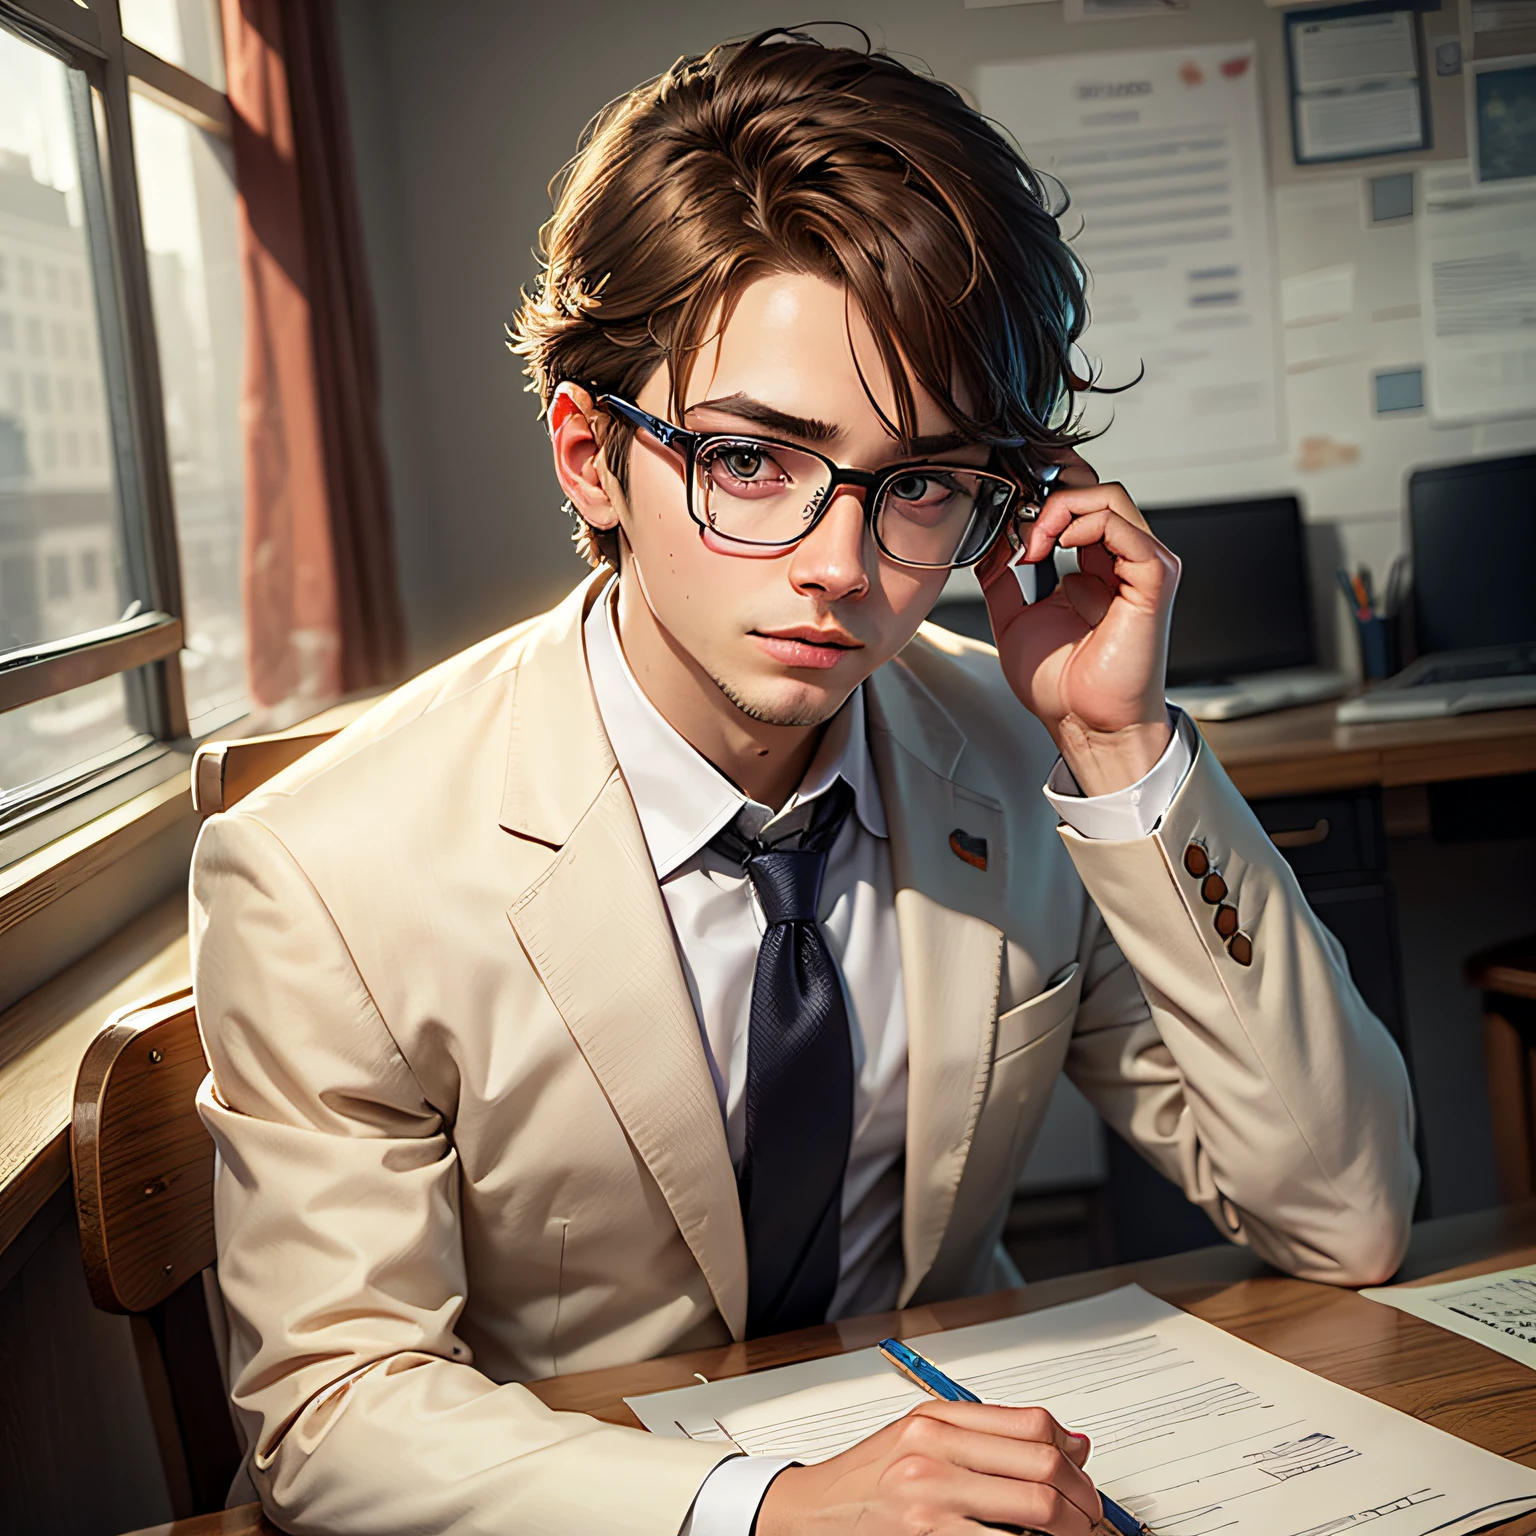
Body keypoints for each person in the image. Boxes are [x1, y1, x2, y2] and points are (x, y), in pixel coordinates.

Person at [190, 29, 1418, 1536]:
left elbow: (1346, 1217)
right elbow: (333, 1417)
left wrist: (1118, 749)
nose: (841, 569)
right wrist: (765, 1511)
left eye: (916, 485)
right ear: (590, 456)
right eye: (752, 461)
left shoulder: (1029, 761)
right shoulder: (322, 867)